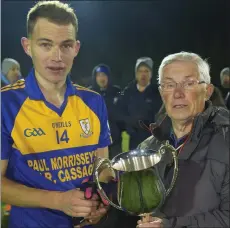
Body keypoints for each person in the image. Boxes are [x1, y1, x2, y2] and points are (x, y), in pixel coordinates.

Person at [1, 1, 116, 228]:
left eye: (66, 45)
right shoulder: (6, 104)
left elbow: (103, 165)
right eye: (46, 45)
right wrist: (58, 201)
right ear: (27, 46)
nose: (57, 57)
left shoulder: (93, 101)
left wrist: (104, 198)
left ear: (76, 48)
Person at [136, 52, 229, 227]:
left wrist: (170, 225)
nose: (178, 93)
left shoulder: (226, 141)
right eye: (169, 85)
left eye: (188, 83)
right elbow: (135, 210)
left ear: (207, 91)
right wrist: (104, 214)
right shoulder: (147, 148)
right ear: (161, 92)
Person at [116, 57, 162, 150]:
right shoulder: (128, 92)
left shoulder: (157, 92)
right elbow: (120, 113)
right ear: (136, 73)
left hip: (153, 140)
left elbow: (161, 115)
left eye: (146, 71)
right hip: (132, 140)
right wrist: (129, 126)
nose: (143, 74)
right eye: (140, 71)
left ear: (151, 73)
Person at [89, 64, 123, 159]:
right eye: (99, 75)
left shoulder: (116, 92)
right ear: (95, 77)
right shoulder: (89, 94)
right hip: (97, 142)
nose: (101, 78)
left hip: (115, 141)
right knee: (101, 169)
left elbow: (122, 113)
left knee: (117, 169)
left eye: (104, 75)